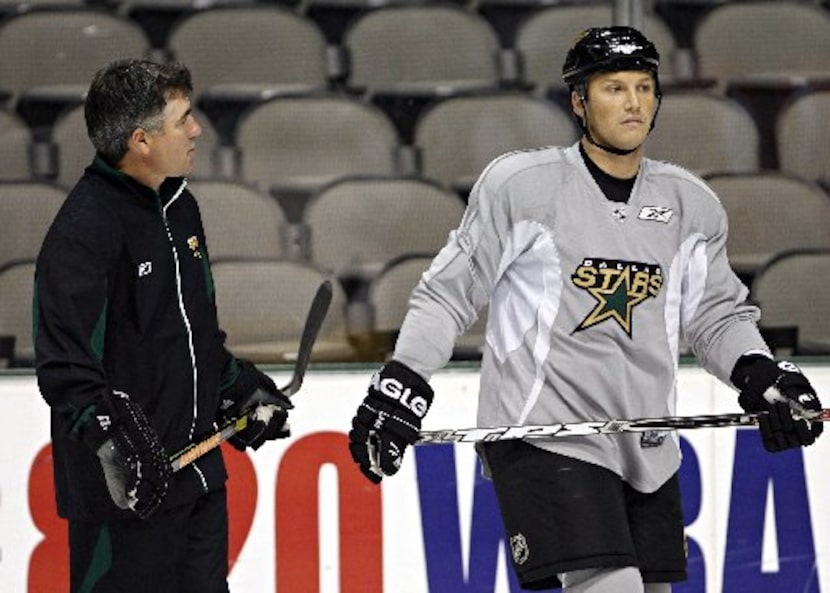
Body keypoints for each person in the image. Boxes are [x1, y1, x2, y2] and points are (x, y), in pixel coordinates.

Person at [347, 26, 824, 593]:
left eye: (644, 87)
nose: (633, 103)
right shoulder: (522, 185)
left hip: (647, 444)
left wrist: (764, 376)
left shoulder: (689, 204)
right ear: (579, 101)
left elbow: (717, 315)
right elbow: (449, 291)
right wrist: (402, 383)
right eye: (613, 88)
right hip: (546, 436)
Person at [34, 59, 293, 593]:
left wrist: (237, 388)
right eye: (183, 120)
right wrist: (113, 448)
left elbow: (193, 334)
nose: (197, 130)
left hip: (196, 482)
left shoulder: (180, 207)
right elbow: (65, 367)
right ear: (141, 141)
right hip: (129, 498)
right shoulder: (84, 231)